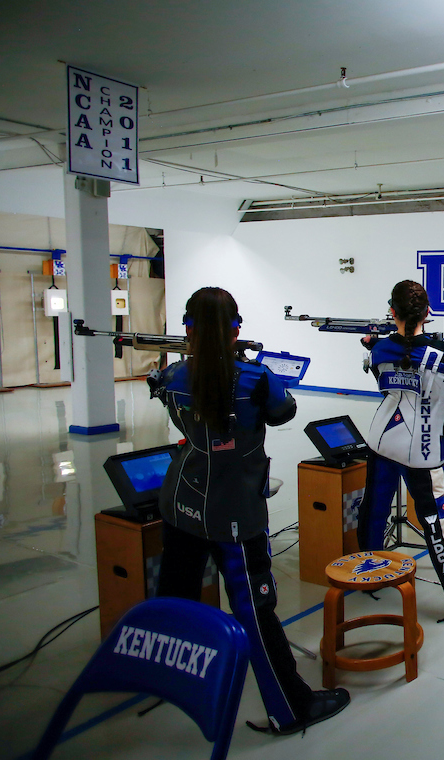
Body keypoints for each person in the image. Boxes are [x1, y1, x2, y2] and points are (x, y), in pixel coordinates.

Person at [151, 287, 349, 736]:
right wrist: (243, 364)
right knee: (257, 612)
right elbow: (283, 412)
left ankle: (169, 682)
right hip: (234, 513)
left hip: (181, 501)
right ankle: (291, 707)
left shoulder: (173, 375)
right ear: (236, 329)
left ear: (187, 329)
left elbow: (185, 399)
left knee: (175, 598)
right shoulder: (256, 379)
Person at [359, 280, 444, 622]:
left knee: (374, 509)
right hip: (421, 449)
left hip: (382, 438)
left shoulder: (379, 350)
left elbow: (379, 376)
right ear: (428, 313)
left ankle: (366, 575)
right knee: (437, 524)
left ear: (393, 313)